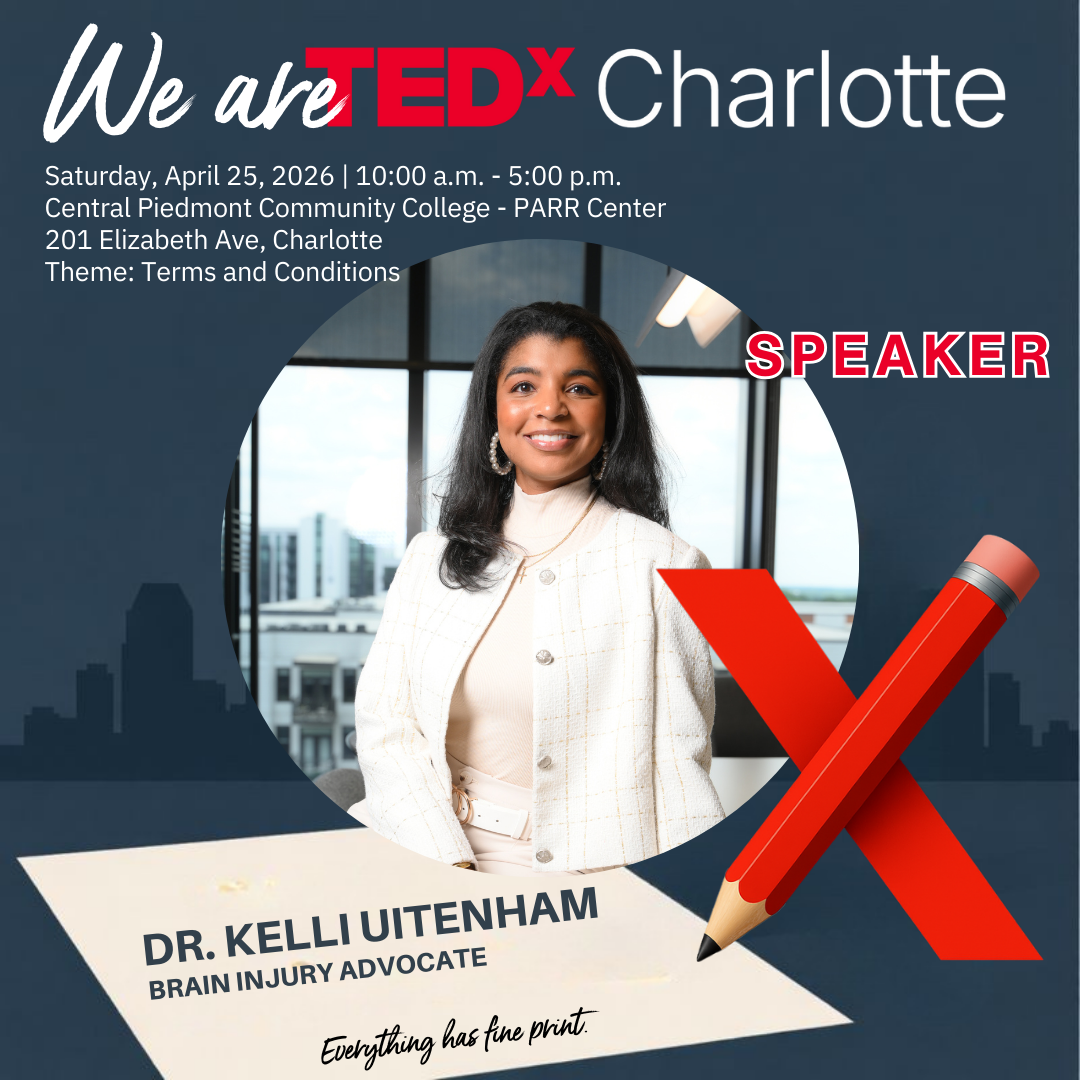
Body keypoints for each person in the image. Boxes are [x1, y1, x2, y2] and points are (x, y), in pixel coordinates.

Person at [351, 301, 724, 873]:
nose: (550, 407)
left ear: (611, 413)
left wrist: (689, 893)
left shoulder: (664, 564)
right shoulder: (430, 558)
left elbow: (678, 764)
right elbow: (386, 728)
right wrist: (448, 866)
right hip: (421, 850)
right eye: (524, 386)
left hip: (583, 877)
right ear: (493, 410)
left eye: (579, 388)